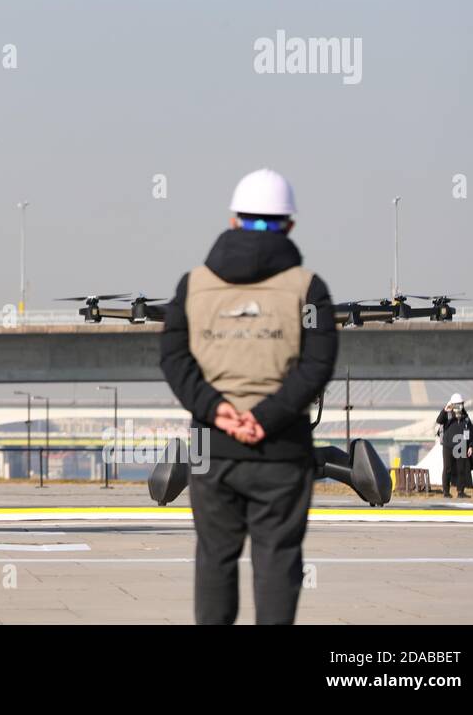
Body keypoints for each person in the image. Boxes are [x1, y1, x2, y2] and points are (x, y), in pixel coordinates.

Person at [159, 168, 337, 625]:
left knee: (215, 558)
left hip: (210, 450)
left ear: (234, 219)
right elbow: (317, 365)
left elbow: (174, 359)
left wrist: (217, 410)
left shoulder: (192, 285)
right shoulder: (309, 290)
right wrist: (267, 417)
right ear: (290, 225)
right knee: (277, 560)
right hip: (281, 448)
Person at [436, 393, 473, 498]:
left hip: (461, 445)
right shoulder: (447, 414)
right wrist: (445, 409)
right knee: (447, 468)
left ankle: (461, 492)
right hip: (448, 446)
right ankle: (446, 492)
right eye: (457, 404)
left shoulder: (465, 417)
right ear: (452, 404)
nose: (459, 406)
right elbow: (439, 420)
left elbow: (469, 432)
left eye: (461, 403)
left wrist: (470, 446)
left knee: (461, 469)